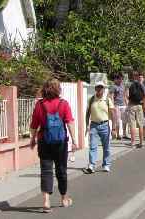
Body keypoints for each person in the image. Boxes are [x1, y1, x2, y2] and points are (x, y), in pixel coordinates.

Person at [29, 79, 77, 213]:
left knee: (46, 170)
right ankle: (64, 198)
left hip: (44, 141)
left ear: (44, 89)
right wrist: (74, 141)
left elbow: (34, 125)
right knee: (61, 170)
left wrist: (32, 139)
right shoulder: (63, 104)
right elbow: (70, 123)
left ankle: (46, 201)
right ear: (58, 89)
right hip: (60, 142)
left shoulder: (39, 104)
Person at [85, 82, 114, 174]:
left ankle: (106, 164)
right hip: (94, 125)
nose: (99, 89)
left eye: (101, 88)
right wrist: (86, 125)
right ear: (95, 89)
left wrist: (114, 128)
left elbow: (112, 113)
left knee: (106, 147)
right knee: (93, 146)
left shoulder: (107, 100)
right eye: (98, 87)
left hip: (105, 125)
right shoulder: (91, 99)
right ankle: (91, 165)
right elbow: (87, 113)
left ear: (104, 89)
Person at [126, 74, 145, 148]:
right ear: (138, 78)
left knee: (132, 124)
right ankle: (141, 142)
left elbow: (127, 96)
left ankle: (133, 142)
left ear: (132, 78)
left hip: (131, 105)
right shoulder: (141, 85)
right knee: (140, 124)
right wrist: (143, 103)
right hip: (139, 105)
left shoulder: (130, 85)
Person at [109, 75, 128, 140]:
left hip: (123, 105)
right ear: (116, 79)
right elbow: (111, 96)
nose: (121, 80)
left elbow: (125, 95)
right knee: (117, 120)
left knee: (124, 120)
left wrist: (127, 104)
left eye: (121, 79)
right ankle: (117, 135)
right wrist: (113, 105)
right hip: (116, 105)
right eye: (119, 79)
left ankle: (124, 134)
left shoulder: (123, 86)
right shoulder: (113, 86)